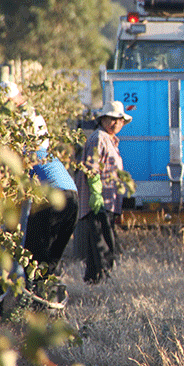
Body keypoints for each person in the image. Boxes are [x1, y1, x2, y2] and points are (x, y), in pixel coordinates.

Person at [0, 81, 78, 279]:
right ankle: (47, 303)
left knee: (33, 258)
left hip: (53, 196)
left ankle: (32, 303)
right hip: (72, 196)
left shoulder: (22, 151)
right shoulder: (38, 131)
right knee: (49, 264)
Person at [75, 100, 133, 284]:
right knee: (104, 244)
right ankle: (104, 280)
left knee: (97, 244)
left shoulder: (109, 139)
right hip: (99, 202)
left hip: (107, 201)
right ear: (103, 120)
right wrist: (96, 195)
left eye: (119, 120)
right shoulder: (99, 138)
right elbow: (92, 169)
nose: (116, 123)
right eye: (111, 119)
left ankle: (92, 281)